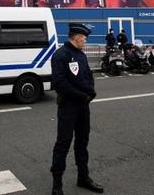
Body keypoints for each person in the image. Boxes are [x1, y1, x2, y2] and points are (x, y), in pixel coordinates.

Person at [50, 23, 103, 195]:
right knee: (63, 144)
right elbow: (59, 83)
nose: (85, 41)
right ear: (77, 37)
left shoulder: (80, 54)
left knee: (82, 143)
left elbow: (87, 75)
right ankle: (57, 185)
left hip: (83, 107)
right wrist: (81, 95)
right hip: (68, 107)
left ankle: (83, 177)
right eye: (84, 38)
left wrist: (91, 92)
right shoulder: (60, 55)